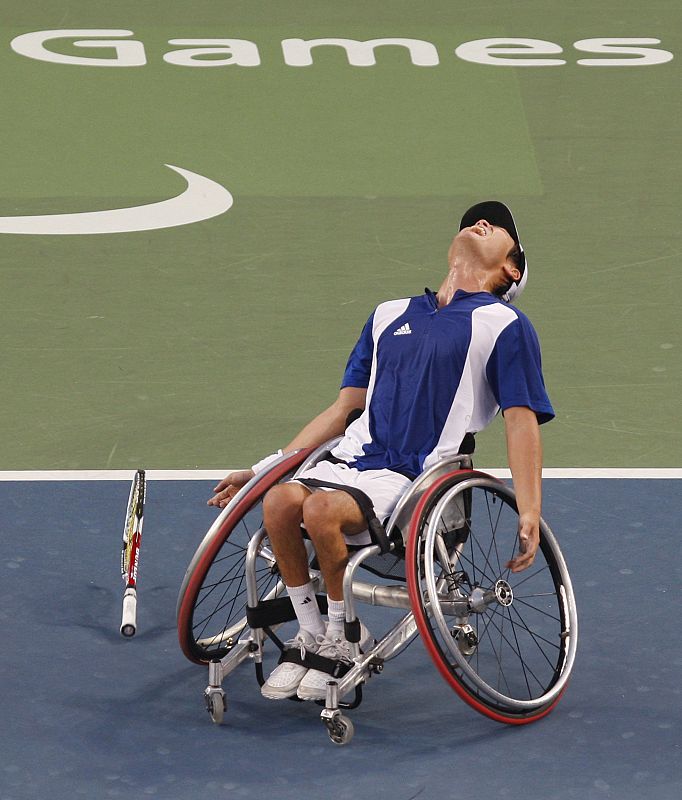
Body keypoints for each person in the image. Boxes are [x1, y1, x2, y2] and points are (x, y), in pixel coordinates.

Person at [208, 200, 554, 702]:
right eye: (474, 219)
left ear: (512, 268)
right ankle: (315, 634)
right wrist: (264, 469)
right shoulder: (388, 315)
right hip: (351, 460)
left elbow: (521, 423)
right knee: (280, 502)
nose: (481, 222)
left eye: (497, 226)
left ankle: (343, 642)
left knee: (322, 510)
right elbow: (343, 408)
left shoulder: (505, 324)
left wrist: (530, 508)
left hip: (414, 478)